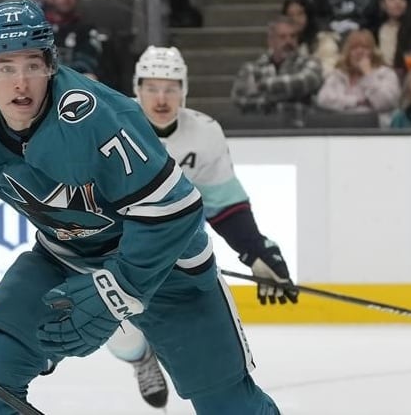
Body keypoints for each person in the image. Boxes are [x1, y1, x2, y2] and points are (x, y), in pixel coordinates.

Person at [0, 0, 293, 415]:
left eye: (32, 65)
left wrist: (118, 288)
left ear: (51, 64)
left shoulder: (97, 116)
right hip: (65, 259)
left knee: (231, 407)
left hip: (167, 269)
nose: (21, 83)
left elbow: (176, 210)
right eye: (5, 67)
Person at [105, 45, 297, 409]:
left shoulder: (204, 133)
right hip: (120, 255)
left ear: (184, 90)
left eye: (171, 88)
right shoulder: (110, 124)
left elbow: (225, 205)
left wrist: (256, 251)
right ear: (136, 88)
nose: (161, 98)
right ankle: (142, 359)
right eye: (152, 88)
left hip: (183, 258)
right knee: (122, 336)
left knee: (206, 350)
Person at [230, 16, 323, 127]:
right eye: (282, 37)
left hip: (299, 129)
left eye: (293, 36)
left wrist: (262, 86)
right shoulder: (252, 68)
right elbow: (239, 99)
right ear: (271, 41)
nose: (289, 41)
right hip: (261, 130)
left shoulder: (310, 63)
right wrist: (289, 95)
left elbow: (307, 81)